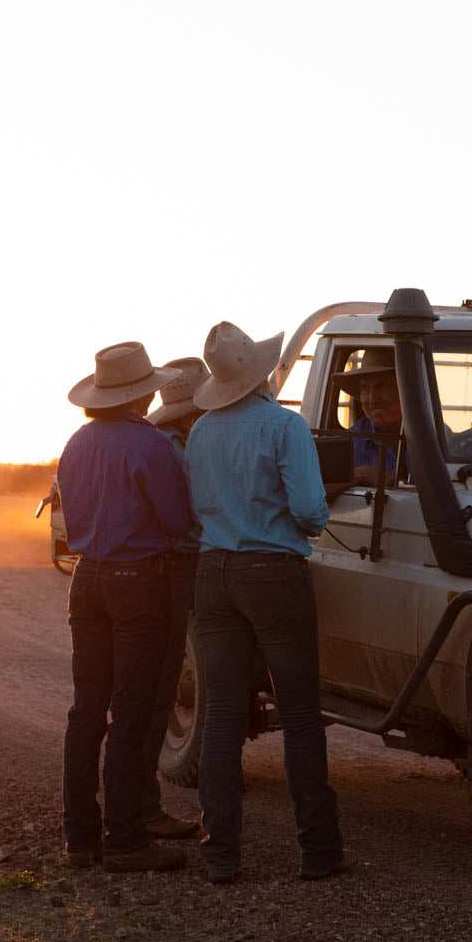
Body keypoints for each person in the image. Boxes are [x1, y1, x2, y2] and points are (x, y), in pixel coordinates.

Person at [184, 321, 350, 884]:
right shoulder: (285, 427)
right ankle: (318, 850)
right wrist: (316, 522)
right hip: (273, 572)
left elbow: (197, 504)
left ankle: (221, 854)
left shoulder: (201, 430)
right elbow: (308, 509)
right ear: (263, 374)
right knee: (301, 713)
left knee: (223, 715)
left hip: (214, 572)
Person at [55, 341, 195, 874]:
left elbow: (71, 518)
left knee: (85, 711)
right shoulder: (150, 445)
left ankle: (79, 836)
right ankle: (126, 838)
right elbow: (177, 519)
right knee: (131, 712)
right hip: (138, 580)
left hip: (87, 576)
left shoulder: (76, 443)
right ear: (142, 393)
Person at [135, 355, 209, 841]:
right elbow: (183, 514)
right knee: (161, 679)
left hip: (151, 565)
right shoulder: (174, 448)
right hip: (176, 562)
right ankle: (141, 812)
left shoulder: (162, 440)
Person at [334, 348, 405, 485]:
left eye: (381, 387)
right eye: (365, 389)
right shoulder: (349, 443)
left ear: (402, 389)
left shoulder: (432, 436)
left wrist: (388, 477)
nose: (372, 399)